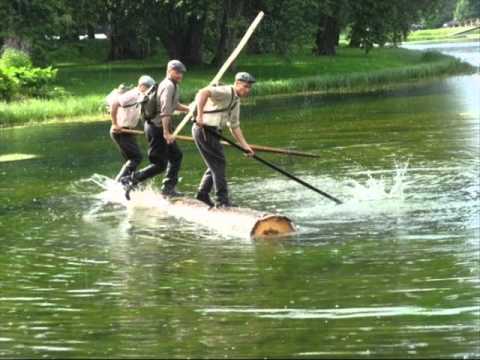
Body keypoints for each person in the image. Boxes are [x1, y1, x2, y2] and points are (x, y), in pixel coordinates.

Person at [123, 60, 190, 199]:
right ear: (169, 71)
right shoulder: (168, 86)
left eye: (181, 73)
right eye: (177, 72)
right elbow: (165, 111)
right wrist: (166, 132)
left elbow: (174, 104)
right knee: (160, 164)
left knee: (176, 156)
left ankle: (168, 188)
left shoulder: (173, 85)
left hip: (160, 127)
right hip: (158, 128)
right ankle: (132, 179)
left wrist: (189, 109)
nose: (180, 75)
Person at [192, 72, 256, 208]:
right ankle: (222, 201)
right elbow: (204, 92)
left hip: (214, 132)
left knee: (215, 164)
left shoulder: (236, 100)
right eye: (245, 86)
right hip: (205, 130)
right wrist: (199, 116)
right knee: (219, 164)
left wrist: (245, 146)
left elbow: (234, 126)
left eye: (249, 87)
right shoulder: (226, 91)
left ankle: (202, 194)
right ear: (237, 83)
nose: (247, 90)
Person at [108, 75, 155, 182]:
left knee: (131, 160)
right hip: (120, 131)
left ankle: (127, 182)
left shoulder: (140, 96)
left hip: (128, 131)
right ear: (142, 86)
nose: (150, 92)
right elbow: (114, 104)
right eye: (149, 89)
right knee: (136, 158)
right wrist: (115, 124)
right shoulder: (133, 94)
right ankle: (119, 183)